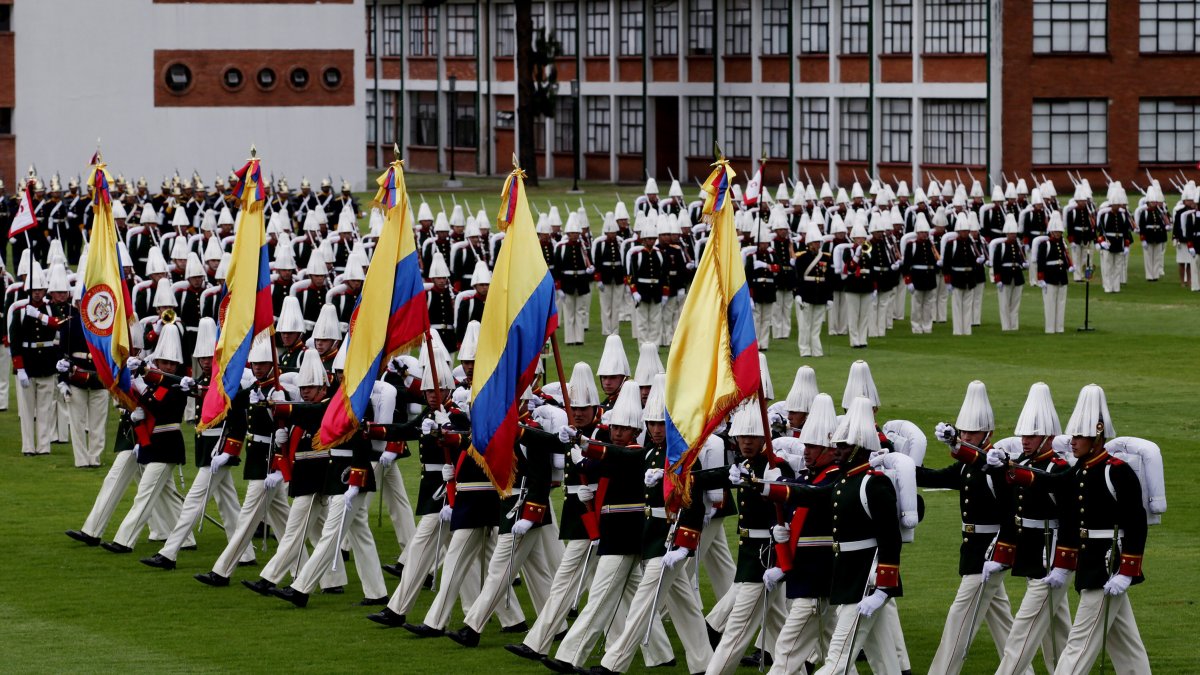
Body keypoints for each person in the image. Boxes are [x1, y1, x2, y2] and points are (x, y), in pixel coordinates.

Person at [999, 384, 1151, 674]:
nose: (1073, 441)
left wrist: (1128, 570)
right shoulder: (1080, 469)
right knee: (1126, 646)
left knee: (1078, 646)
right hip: (1089, 564)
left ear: (1097, 436)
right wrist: (1010, 468)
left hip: (1107, 566)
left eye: (1079, 436)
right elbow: (1052, 484)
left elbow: (1136, 522)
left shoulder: (1116, 471)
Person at [760, 396, 904, 674]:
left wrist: (883, 588)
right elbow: (812, 494)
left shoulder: (874, 484)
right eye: (837, 445)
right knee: (885, 662)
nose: (838, 450)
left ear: (860, 447)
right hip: (848, 580)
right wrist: (766, 487)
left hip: (867, 582)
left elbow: (890, 538)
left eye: (844, 446)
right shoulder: (845, 482)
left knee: (837, 660)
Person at [543, 381, 675, 673]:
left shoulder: (636, 452)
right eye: (614, 427)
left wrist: (582, 444)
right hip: (622, 533)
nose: (616, 433)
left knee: (600, 598)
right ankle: (661, 655)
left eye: (624, 429)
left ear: (635, 431)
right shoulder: (632, 452)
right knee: (633, 599)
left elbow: (605, 460)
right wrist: (577, 445)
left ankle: (570, 656)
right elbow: (596, 463)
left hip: (624, 535)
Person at [590, 374, 713, 675]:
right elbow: (621, 456)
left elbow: (693, 502)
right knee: (685, 608)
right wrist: (584, 444)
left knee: (643, 603)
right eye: (652, 424)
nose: (656, 430)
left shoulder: (684, 456)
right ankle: (706, 665)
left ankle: (613, 664)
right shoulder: (649, 453)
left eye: (661, 424)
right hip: (653, 537)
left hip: (670, 540)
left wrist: (684, 545)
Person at [919, 381, 1019, 674]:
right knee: (1003, 624)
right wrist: (895, 465)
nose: (965, 437)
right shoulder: (966, 465)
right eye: (963, 432)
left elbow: (1011, 514)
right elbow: (935, 477)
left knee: (958, 618)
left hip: (988, 553)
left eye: (972, 433)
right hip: (973, 550)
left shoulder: (995, 465)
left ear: (988, 435)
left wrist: (1000, 554)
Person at [140, 318, 246, 570]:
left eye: (209, 357)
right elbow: (171, 381)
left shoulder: (229, 379)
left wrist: (229, 451)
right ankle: (245, 553)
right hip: (207, 448)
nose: (206, 362)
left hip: (218, 450)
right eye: (202, 358)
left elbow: (238, 421)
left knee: (193, 502)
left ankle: (169, 553)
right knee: (229, 505)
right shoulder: (202, 379)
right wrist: (144, 371)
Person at [240, 349, 341, 594]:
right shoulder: (304, 407)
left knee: (294, 532)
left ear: (323, 388)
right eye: (303, 387)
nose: (305, 391)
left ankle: (269, 579)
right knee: (317, 532)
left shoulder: (327, 406)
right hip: (304, 478)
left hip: (316, 478)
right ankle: (334, 582)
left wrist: (275, 405)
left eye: (311, 387)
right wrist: (283, 437)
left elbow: (308, 414)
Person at [988, 383, 1072, 675]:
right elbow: (1013, 512)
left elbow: (1070, 517)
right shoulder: (1022, 462)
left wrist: (1062, 564)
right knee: (1057, 633)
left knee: (1021, 634)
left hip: (1050, 559)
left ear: (1048, 437)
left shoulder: (1060, 468)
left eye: (1032, 436)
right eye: (1023, 435)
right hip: (1031, 555)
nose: (1024, 441)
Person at [194, 336, 292, 587]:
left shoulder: (278, 392)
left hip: (268, 462)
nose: (257, 368)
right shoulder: (255, 390)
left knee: (247, 519)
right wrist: (197, 388)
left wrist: (278, 468)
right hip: (257, 459)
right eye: (255, 364)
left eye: (262, 364)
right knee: (286, 526)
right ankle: (322, 577)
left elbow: (285, 433)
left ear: (272, 365)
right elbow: (229, 402)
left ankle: (222, 571)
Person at [708, 403, 792, 675]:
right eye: (742, 436)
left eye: (752, 437)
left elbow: (787, 504)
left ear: (764, 438)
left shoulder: (776, 467)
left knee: (736, 630)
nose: (745, 442)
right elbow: (715, 476)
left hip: (765, 557)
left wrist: (764, 484)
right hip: (750, 555)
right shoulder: (744, 465)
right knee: (779, 627)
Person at [762, 393, 841, 675]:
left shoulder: (834, 478)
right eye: (806, 445)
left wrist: (777, 485)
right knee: (835, 655)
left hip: (817, 580)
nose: (806, 451)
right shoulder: (810, 476)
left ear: (831, 449)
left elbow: (808, 494)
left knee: (787, 651)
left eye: (814, 446)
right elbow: (795, 504)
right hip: (806, 578)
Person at [101, 324, 190, 553]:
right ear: (157, 362)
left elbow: (160, 408)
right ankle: (186, 539)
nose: (168, 367)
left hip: (167, 447)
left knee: (144, 495)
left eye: (172, 364)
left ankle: (124, 541)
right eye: (164, 363)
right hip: (153, 447)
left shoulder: (179, 385)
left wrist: (141, 387)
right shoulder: (154, 381)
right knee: (167, 496)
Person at [11, 266, 60, 455]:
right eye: (34, 290)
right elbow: (15, 342)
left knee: (45, 408)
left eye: (40, 290)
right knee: (27, 410)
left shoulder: (50, 308)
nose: (37, 293)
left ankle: (43, 446)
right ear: (29, 291)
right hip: (28, 363)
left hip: (46, 362)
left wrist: (40, 316)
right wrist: (20, 368)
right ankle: (28, 446)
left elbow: (60, 324)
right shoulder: (20, 312)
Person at [792, 222, 833, 357]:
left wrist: (830, 298)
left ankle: (817, 350)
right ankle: (804, 350)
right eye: (815, 242)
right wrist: (797, 294)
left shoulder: (826, 257)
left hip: (820, 294)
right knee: (805, 325)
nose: (818, 245)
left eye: (819, 242)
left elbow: (829, 279)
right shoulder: (802, 257)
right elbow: (797, 277)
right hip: (806, 293)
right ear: (809, 244)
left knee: (816, 325)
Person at [554, 215, 594, 346]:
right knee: (569, 312)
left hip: (581, 283)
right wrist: (558, 287)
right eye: (572, 233)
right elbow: (557, 269)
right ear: (568, 234)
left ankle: (579, 338)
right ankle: (570, 339)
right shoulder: (561, 247)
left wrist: (590, 270)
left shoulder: (583, 246)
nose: (575, 235)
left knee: (580, 311)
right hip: (567, 283)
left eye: (576, 233)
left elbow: (588, 262)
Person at [839, 220, 874, 349]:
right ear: (853, 238)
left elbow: (872, 270)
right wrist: (857, 255)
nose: (860, 240)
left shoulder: (868, 251)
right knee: (853, 315)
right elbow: (850, 268)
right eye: (858, 238)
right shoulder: (848, 251)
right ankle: (854, 340)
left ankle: (863, 339)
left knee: (864, 315)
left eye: (862, 238)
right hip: (853, 285)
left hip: (866, 285)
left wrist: (874, 286)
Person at [903, 213, 939, 334]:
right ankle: (916, 326)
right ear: (917, 233)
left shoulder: (931, 245)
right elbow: (906, 265)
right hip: (917, 278)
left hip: (929, 277)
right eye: (922, 232)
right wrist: (908, 281)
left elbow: (934, 261)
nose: (924, 234)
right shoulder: (911, 245)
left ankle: (927, 326)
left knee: (928, 304)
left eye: (925, 232)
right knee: (916, 305)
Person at [1036, 213, 1072, 334]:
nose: (1058, 234)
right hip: (1050, 276)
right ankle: (1050, 328)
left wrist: (1069, 266)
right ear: (1051, 231)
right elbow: (1041, 262)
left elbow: (1065, 258)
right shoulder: (1045, 244)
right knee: (1050, 304)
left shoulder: (1062, 244)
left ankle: (1059, 327)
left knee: (1061, 303)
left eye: (1060, 232)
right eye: (1056, 231)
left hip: (1061, 276)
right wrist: (1041, 278)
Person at [592, 214, 627, 336]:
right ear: (606, 233)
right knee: (606, 306)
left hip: (618, 277)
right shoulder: (600, 244)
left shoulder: (620, 243)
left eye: (614, 232)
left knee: (616, 306)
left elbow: (624, 262)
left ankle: (615, 330)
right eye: (610, 233)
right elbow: (597, 263)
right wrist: (598, 280)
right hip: (605, 277)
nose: (612, 235)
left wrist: (625, 278)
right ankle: (606, 330)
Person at [993, 215, 1027, 332]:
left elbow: (1021, 259)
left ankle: (1014, 325)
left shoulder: (1018, 246)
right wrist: (997, 279)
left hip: (1017, 276)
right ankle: (1006, 326)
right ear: (1007, 233)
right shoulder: (1001, 246)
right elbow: (996, 263)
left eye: (1014, 233)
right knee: (1004, 303)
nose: (1013, 235)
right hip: (1005, 276)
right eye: (1011, 233)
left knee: (1015, 303)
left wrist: (1023, 264)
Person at [1096, 186, 1133, 294]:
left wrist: (1126, 245)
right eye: (1114, 205)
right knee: (1108, 267)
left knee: (1117, 267)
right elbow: (1099, 231)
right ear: (1111, 205)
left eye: (1118, 204)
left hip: (1119, 243)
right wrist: (1102, 242)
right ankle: (1108, 287)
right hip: (1108, 243)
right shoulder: (1105, 215)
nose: (1116, 206)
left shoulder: (1123, 215)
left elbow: (1126, 232)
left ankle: (1116, 287)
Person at [1135, 184, 1169, 282]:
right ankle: (1149, 275)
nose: (1154, 203)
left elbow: (1162, 225)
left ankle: (1155, 275)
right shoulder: (1144, 212)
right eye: (1152, 202)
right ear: (1148, 202)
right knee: (1148, 257)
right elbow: (1142, 227)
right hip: (1148, 236)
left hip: (1158, 236)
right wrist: (1143, 239)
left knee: (1157, 256)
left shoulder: (1159, 212)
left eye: (1155, 202)